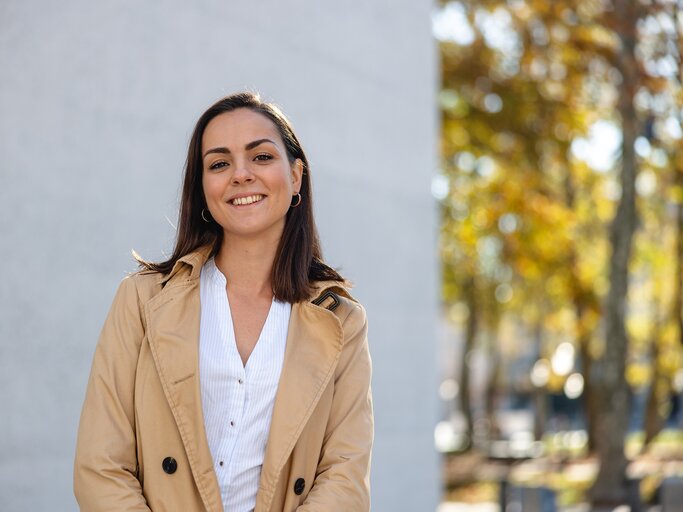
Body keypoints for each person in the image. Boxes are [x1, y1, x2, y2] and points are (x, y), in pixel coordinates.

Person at [73, 92, 374, 511]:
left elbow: (344, 476)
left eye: (262, 157)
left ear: (297, 176)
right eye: (218, 163)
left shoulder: (341, 320)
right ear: (203, 189)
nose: (241, 174)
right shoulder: (142, 299)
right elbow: (100, 464)